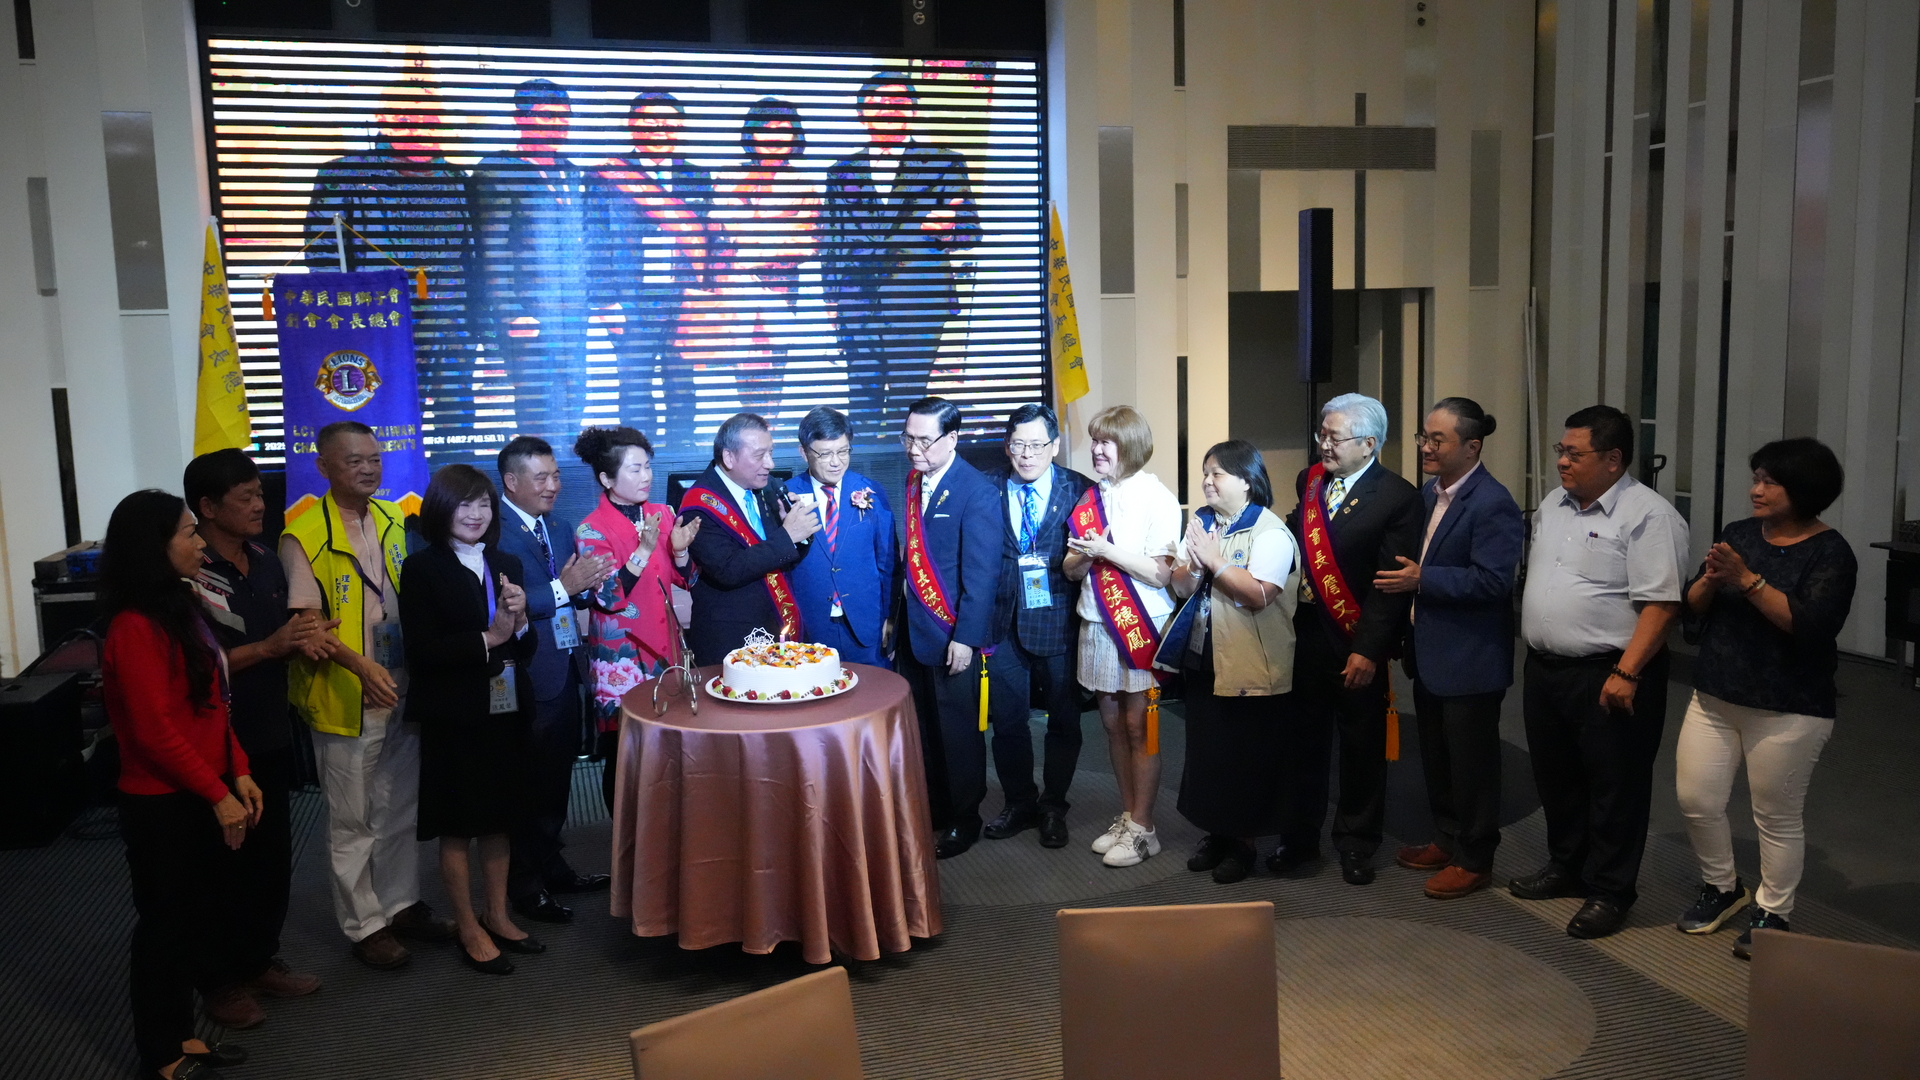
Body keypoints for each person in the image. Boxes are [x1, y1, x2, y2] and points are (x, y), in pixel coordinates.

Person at [1673, 438, 1855, 960]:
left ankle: (1773, 912)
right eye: (1756, 478)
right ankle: (1722, 886)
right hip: (1716, 694)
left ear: (1804, 490)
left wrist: (1747, 579)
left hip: (1789, 706)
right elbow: (1694, 605)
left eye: (1770, 482)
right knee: (1696, 800)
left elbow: (1808, 626)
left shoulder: (1830, 551)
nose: (1756, 489)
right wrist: (1711, 581)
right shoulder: (1739, 534)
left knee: (1775, 816)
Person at [282, 421, 456, 970]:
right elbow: (308, 625)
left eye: (374, 459)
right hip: (345, 692)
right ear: (323, 466)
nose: (367, 468)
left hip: (403, 682)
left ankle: (400, 904)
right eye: (353, 460)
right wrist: (361, 667)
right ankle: (364, 924)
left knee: (399, 802)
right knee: (351, 816)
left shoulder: (394, 518)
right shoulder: (303, 534)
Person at [102, 489, 260, 1080]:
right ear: (155, 546)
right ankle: (160, 1054)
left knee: (192, 921)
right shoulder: (133, 626)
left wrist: (238, 768)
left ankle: (182, 1036)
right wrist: (218, 793)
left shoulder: (181, 605)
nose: (200, 544)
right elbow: (153, 732)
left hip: (201, 788)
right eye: (188, 533)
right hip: (162, 802)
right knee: (164, 929)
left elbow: (213, 702)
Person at [1513, 405, 1688, 940]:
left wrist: (1628, 672)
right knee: (1557, 777)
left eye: (1574, 453)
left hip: (1611, 672)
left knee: (1615, 786)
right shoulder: (1554, 504)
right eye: (1560, 451)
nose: (1562, 461)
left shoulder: (1649, 516)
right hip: (1546, 669)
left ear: (1613, 459)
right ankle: (1566, 866)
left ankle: (1611, 891)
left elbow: (1661, 604)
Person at [182, 451, 329, 1030]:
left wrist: (306, 640)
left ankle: (258, 960)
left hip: (269, 731)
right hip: (215, 742)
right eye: (245, 497)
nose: (259, 505)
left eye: (260, 494)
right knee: (221, 866)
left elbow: (285, 637)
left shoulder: (266, 560)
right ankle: (219, 982)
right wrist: (271, 647)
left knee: (270, 859)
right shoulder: (191, 573)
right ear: (208, 506)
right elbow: (199, 666)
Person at [1373, 399, 1524, 899]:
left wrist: (1424, 579)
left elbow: (1494, 582)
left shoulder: (1492, 502)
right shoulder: (1428, 494)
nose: (1426, 447)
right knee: (1438, 759)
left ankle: (1476, 859)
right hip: (1429, 652)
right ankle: (1447, 838)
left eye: (1438, 440)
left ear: (1472, 446)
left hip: (1470, 658)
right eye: (1424, 437)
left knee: (1472, 766)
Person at [399, 466, 542, 976]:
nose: (476, 514)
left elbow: (525, 647)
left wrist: (520, 623)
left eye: (483, 504)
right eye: (464, 504)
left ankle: (496, 914)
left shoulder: (505, 562)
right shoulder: (421, 569)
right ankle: (466, 925)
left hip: (505, 709)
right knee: (458, 826)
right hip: (454, 714)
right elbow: (422, 652)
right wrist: (491, 636)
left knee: (500, 817)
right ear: (442, 509)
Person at [1279, 393, 1423, 885]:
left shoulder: (1398, 497)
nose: (1324, 444)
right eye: (1322, 434)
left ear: (1369, 444)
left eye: (1335, 437)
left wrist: (1368, 649)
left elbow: (1388, 586)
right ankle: (1298, 838)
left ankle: (1357, 842)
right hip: (1305, 635)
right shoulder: (1310, 481)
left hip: (1356, 639)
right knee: (1302, 742)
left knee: (1361, 747)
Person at [1164, 440, 1301, 884]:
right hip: (1205, 658)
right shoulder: (1203, 523)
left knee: (1244, 757)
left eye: (1218, 473)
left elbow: (1259, 595)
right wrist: (1193, 567)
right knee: (1209, 754)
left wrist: (1214, 560)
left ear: (1247, 480)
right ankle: (1217, 834)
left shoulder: (1269, 530)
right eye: (1205, 472)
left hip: (1250, 663)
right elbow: (1181, 587)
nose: (1207, 481)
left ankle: (1244, 844)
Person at [495, 436, 617, 926]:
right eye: (541, 477)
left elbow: (573, 595)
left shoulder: (561, 527)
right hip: (524, 675)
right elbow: (508, 603)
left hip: (566, 668)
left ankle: (552, 866)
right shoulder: (492, 532)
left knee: (556, 779)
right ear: (511, 481)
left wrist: (590, 585)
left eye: (556, 475)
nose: (553, 486)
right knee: (525, 786)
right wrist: (564, 587)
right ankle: (524, 886)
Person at [823, 72, 981, 432]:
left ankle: (904, 469)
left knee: (909, 407)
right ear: (862, 113)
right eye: (877, 103)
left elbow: (971, 230)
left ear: (912, 110)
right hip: (858, 306)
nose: (887, 110)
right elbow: (833, 244)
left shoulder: (944, 163)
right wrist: (833, 302)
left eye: (897, 102)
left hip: (918, 306)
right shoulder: (840, 172)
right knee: (861, 408)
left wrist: (949, 229)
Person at [304, 81, 473, 414]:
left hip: (449, 337)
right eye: (407, 118)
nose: (421, 129)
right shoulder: (343, 174)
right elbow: (322, 259)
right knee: (385, 425)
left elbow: (471, 260)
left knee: (457, 427)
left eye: (430, 119)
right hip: (377, 332)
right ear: (383, 119)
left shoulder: (457, 180)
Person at [1065, 406, 1181, 869]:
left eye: (1105, 442)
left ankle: (1145, 828)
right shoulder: (1091, 498)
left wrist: (1105, 550)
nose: (1096, 450)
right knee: (1112, 726)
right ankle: (1130, 816)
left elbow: (1160, 573)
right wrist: (1085, 557)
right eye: (1094, 441)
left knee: (1139, 727)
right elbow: (1070, 568)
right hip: (1096, 623)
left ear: (1128, 446)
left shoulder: (1157, 497)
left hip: (1141, 625)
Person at [980, 404, 1093, 848]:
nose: (1026, 454)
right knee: (1008, 722)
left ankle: (1053, 806)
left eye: (1036, 445)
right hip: (1002, 621)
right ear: (1007, 446)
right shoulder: (987, 487)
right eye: (1018, 445)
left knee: (1064, 721)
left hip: (1059, 622)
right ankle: (1019, 802)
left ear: (1055, 445)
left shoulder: (1080, 490)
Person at [573, 427, 700, 810]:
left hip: (665, 649)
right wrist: (643, 550)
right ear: (607, 479)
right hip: (622, 657)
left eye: (648, 466)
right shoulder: (591, 529)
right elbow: (608, 597)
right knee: (625, 756)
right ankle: (625, 838)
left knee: (670, 749)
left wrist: (680, 551)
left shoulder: (663, 514)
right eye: (635, 469)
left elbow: (687, 579)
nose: (646, 476)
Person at [897, 396, 1001, 858]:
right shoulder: (914, 481)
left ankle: (964, 818)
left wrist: (966, 637)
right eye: (908, 438)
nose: (914, 449)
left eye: (924, 440)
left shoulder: (976, 491)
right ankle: (935, 808)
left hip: (952, 635)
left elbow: (982, 574)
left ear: (953, 438)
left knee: (958, 732)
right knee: (924, 727)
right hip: (915, 632)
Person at [585, 90, 714, 448]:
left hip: (681, 298)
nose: (660, 127)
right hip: (630, 302)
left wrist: (705, 298)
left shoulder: (697, 177)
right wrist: (606, 302)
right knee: (635, 387)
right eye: (649, 119)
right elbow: (595, 241)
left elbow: (709, 238)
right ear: (632, 124)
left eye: (668, 120)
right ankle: (637, 461)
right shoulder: (606, 176)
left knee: (682, 385)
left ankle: (682, 455)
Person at [680, 97, 819, 420]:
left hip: (779, 288)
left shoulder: (805, 184)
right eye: (765, 129)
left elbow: (807, 240)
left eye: (782, 129)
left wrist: (755, 251)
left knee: (773, 360)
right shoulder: (727, 176)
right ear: (751, 134)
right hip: (734, 289)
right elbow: (717, 230)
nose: (774, 137)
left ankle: (770, 426)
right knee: (742, 360)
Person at [473, 79, 590, 441]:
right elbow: (492, 249)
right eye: (546, 116)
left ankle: (566, 475)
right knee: (540, 414)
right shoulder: (497, 170)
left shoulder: (570, 170)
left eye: (564, 116)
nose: (558, 124)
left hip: (571, 315)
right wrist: (510, 311)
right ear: (520, 118)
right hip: (529, 315)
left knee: (573, 404)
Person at [680, 413, 817, 665]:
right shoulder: (698, 504)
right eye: (759, 455)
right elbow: (728, 569)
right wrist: (788, 536)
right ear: (729, 457)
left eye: (771, 453)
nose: (770, 464)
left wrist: (799, 533)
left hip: (777, 625)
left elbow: (786, 556)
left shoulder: (769, 487)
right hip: (731, 637)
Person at [785, 407, 897, 667]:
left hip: (866, 626)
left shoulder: (870, 490)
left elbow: (888, 562)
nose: (836, 462)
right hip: (809, 626)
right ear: (804, 452)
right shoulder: (786, 496)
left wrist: (890, 618)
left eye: (843, 451)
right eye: (825, 454)